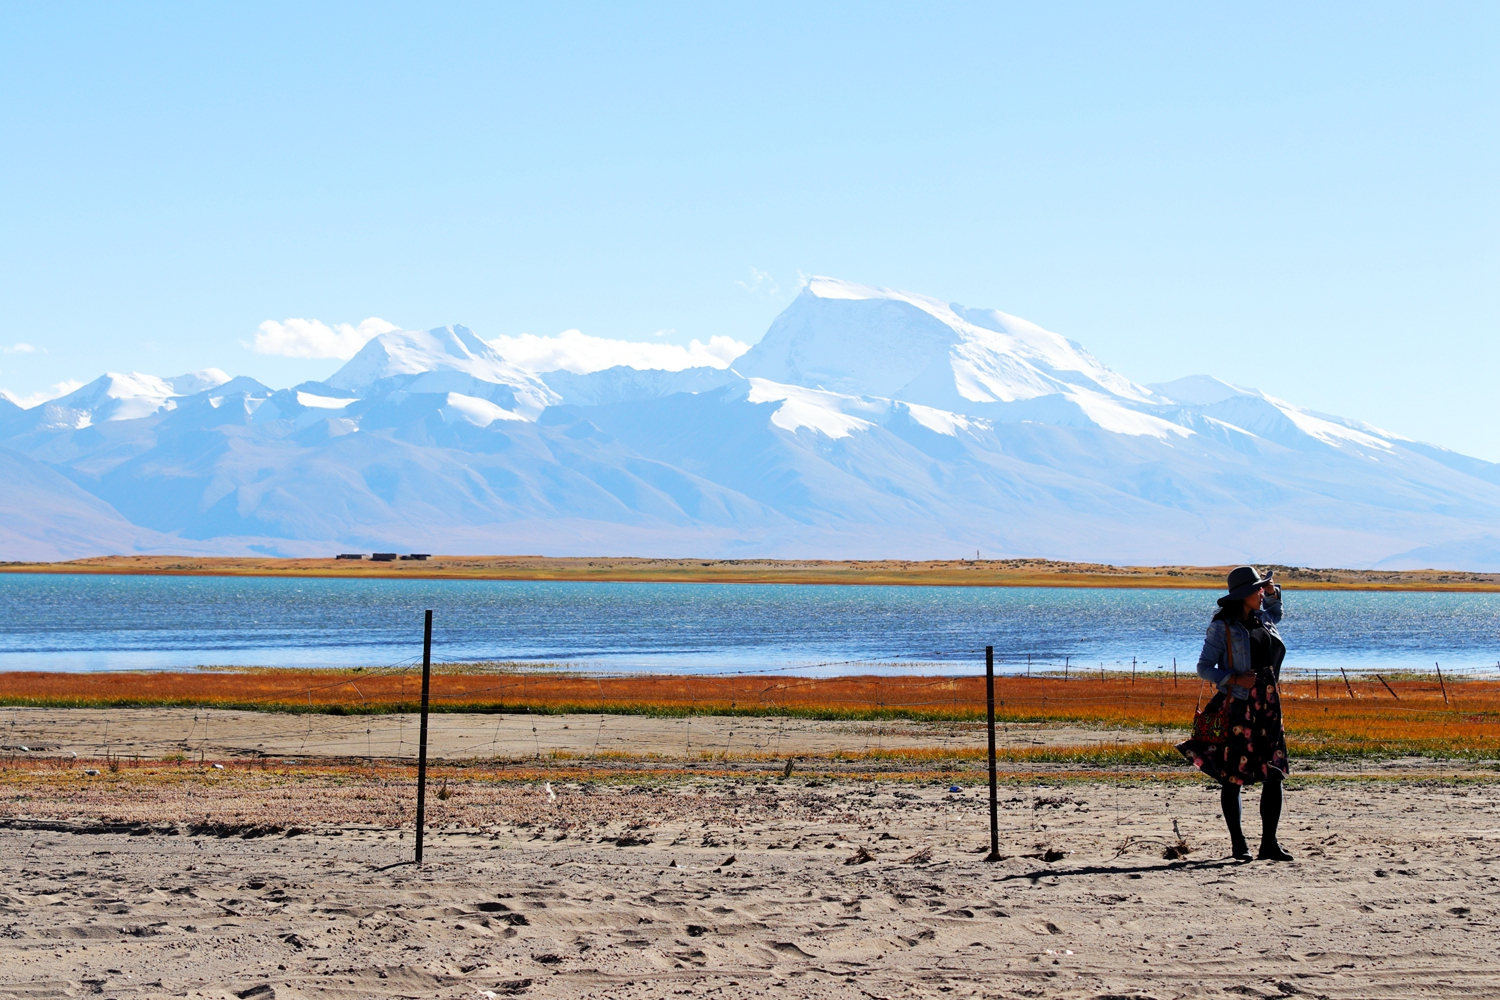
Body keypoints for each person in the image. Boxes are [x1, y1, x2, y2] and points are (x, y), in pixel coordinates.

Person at [1176, 566, 1293, 861]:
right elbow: (1204, 667)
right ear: (1244, 595)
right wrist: (1233, 679)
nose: (1262, 594)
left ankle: (1269, 844)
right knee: (1232, 775)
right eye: (1257, 590)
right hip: (1239, 703)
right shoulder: (1222, 626)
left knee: (1274, 773)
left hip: (1268, 702)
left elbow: (1276, 612)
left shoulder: (1262, 618)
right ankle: (1239, 845)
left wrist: (1271, 590)